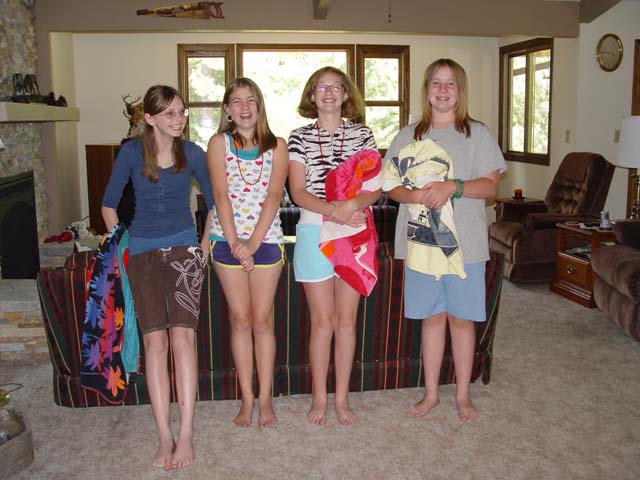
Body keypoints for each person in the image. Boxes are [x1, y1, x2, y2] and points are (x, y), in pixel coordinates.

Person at [383, 59, 506, 422]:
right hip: (421, 246)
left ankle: (463, 395)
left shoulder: (478, 134)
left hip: (464, 247)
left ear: (460, 90)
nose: (442, 90)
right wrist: (416, 195)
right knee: (432, 319)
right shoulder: (407, 136)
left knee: (462, 321)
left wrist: (452, 187)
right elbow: (389, 186)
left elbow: (490, 186)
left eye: (450, 83)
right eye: (436, 83)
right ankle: (432, 393)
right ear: (426, 90)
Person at [101, 85, 213, 469]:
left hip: (184, 251)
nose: (179, 119)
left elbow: (215, 203)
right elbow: (108, 205)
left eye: (182, 111)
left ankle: (187, 433)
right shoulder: (132, 153)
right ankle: (165, 435)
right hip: (143, 254)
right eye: (170, 113)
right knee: (154, 344)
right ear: (149, 119)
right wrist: (121, 246)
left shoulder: (193, 153)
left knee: (183, 340)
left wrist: (203, 246)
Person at [288, 66, 380, 426]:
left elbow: (375, 189)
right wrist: (333, 211)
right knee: (322, 323)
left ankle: (341, 398)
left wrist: (351, 206)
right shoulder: (298, 137)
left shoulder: (363, 134)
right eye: (321, 87)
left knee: (346, 322)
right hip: (314, 231)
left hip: (354, 233)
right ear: (311, 96)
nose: (328, 92)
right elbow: (297, 192)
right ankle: (319, 398)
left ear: (346, 94)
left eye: (336, 87)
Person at [206, 77, 288, 428]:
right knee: (240, 320)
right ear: (227, 109)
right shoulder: (218, 143)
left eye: (250, 100)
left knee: (262, 320)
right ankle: (247, 398)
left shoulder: (278, 146)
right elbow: (220, 196)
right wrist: (235, 244)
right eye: (236, 101)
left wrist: (251, 244)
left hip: (266, 241)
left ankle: (266, 398)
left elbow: (274, 197)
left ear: (259, 106)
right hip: (225, 240)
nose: (244, 107)